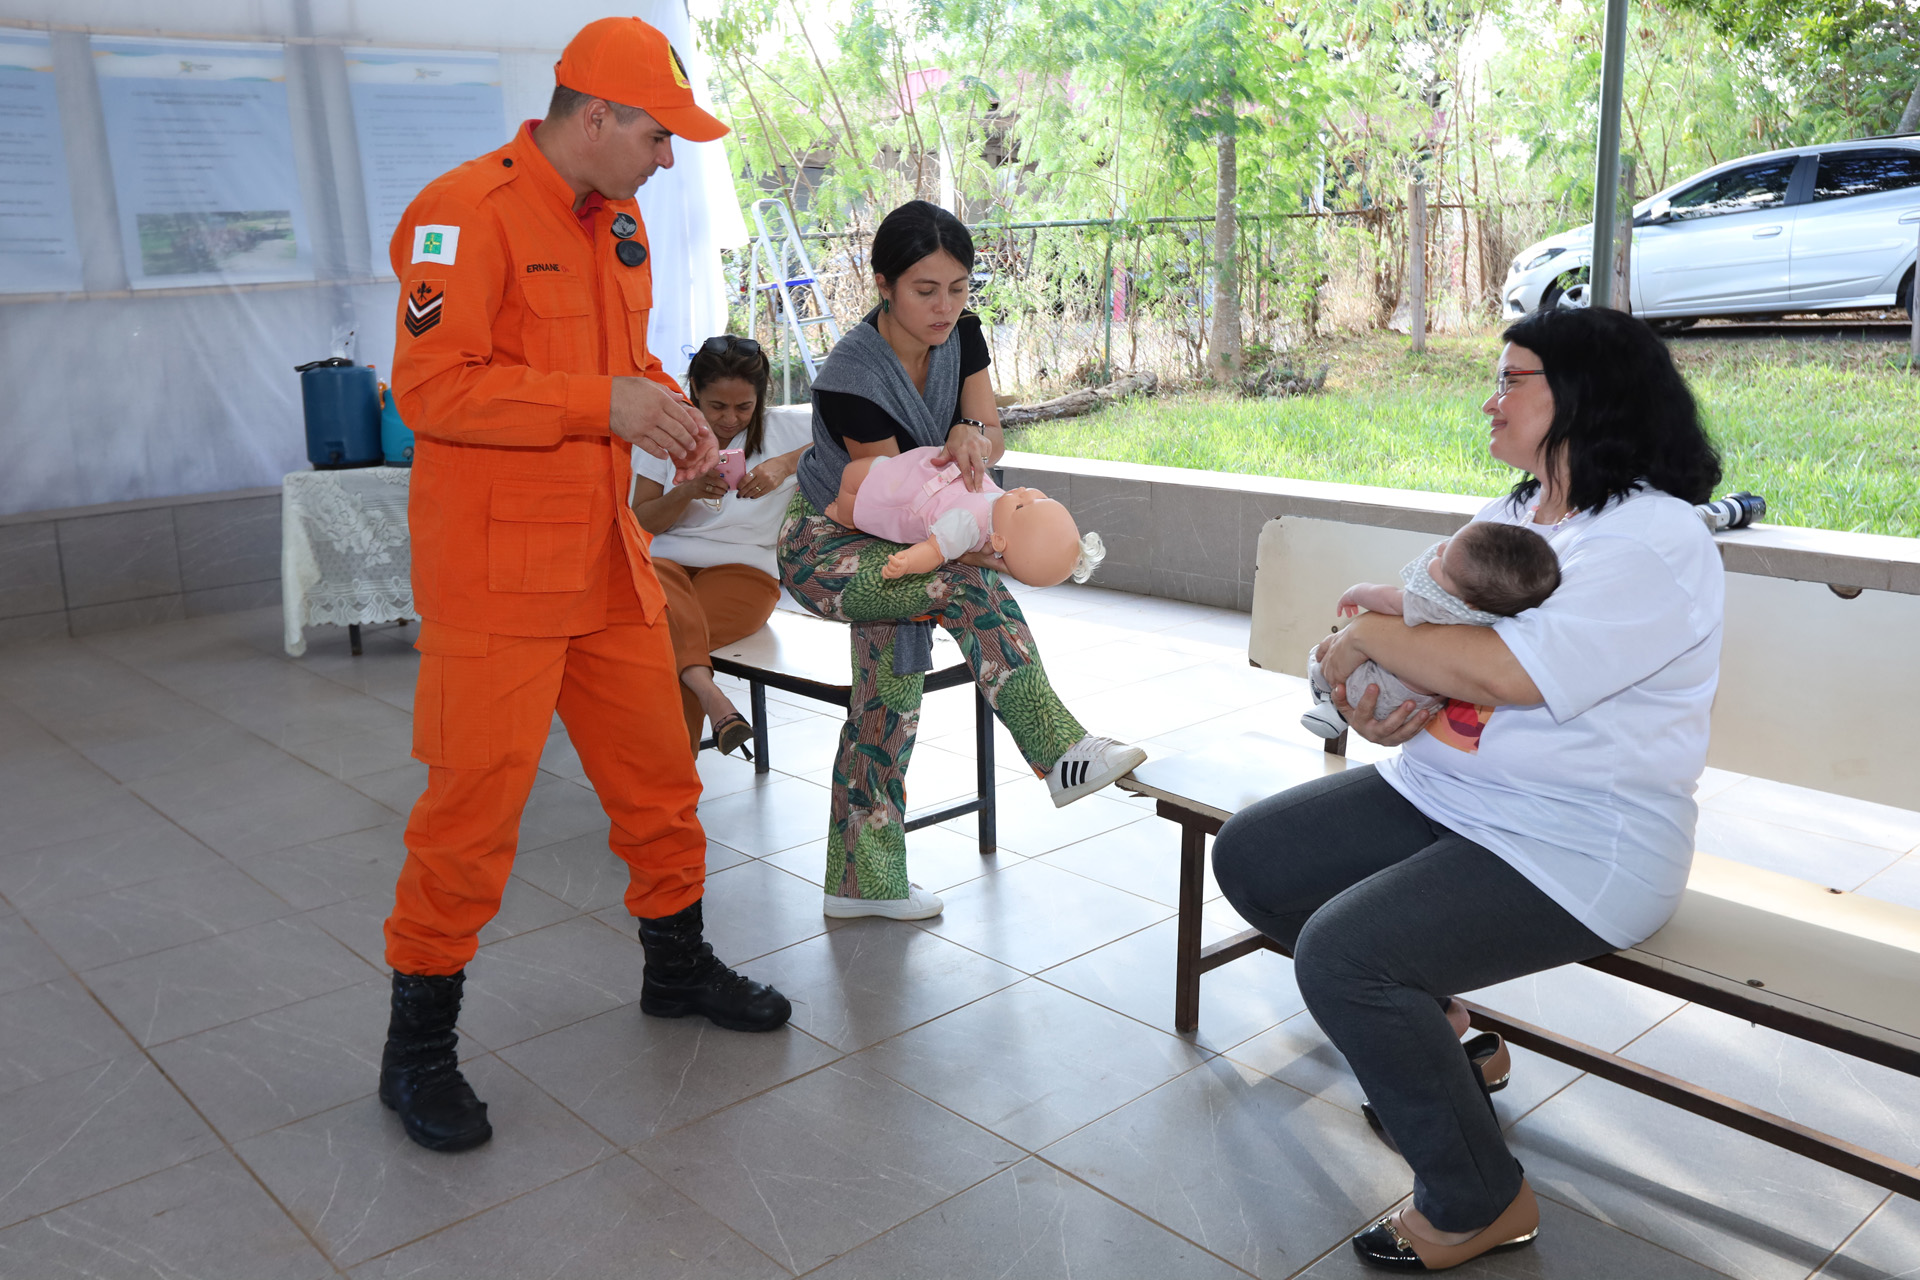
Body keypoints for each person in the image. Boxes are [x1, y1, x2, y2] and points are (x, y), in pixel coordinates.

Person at [1212, 305, 1725, 1270]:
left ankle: (1480, 1199)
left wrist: (1360, 643)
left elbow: (1503, 674)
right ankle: (1449, 1040)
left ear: (1581, 396)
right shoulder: (1513, 513)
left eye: (1511, 380)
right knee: (1254, 859)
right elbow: (1429, 631)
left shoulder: (1652, 539)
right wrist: (1365, 690)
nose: (1489, 401)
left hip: (1577, 843)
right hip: (1441, 797)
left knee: (1344, 957)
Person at [379, 17, 790, 1156]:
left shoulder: (621, 221)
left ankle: (676, 964)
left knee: (661, 782)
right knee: (469, 819)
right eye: (659, 136)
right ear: (594, 116)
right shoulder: (462, 212)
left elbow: (631, 362)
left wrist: (678, 423)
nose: (670, 160)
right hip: (497, 581)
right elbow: (433, 390)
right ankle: (417, 1046)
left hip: (606, 560)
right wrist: (599, 404)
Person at [779, 199, 1147, 921]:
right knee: (964, 587)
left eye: (958, 288)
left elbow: (989, 433)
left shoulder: (962, 335)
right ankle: (1061, 751)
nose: (945, 307)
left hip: (913, 537)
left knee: (885, 707)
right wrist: (984, 546)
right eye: (925, 290)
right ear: (883, 284)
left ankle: (862, 886)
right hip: (832, 547)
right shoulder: (852, 375)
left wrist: (966, 434)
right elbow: (892, 504)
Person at [631, 334, 810, 754]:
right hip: (666, 564)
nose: (730, 420)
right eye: (717, 407)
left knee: (658, 643)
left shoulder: (788, 430)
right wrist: (685, 492)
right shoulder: (665, 433)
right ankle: (712, 700)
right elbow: (639, 523)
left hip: (747, 574)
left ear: (760, 397)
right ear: (694, 391)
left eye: (744, 407)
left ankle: (667, 791)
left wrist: (784, 465)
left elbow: (858, 440)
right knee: (663, 616)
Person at [1300, 523, 1561, 739]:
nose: (1440, 549)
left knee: (1324, 658)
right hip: (1421, 705)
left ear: (1468, 601)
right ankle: (1334, 712)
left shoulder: (1435, 604)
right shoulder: (1489, 613)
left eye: (1443, 564)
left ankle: (1325, 695)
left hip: (1382, 684)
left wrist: (1355, 592)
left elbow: (1388, 599)